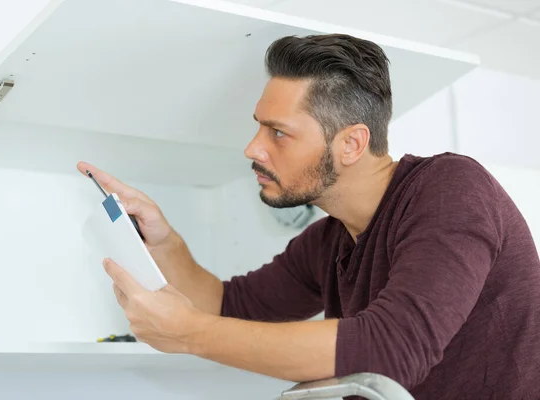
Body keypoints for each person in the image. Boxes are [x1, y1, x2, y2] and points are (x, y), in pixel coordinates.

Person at [77, 33, 540, 399]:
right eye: (259, 125)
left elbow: (392, 349)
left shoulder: (451, 189)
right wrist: (163, 241)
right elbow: (229, 307)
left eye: (278, 133)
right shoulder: (329, 241)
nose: (252, 147)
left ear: (351, 144)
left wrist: (187, 333)